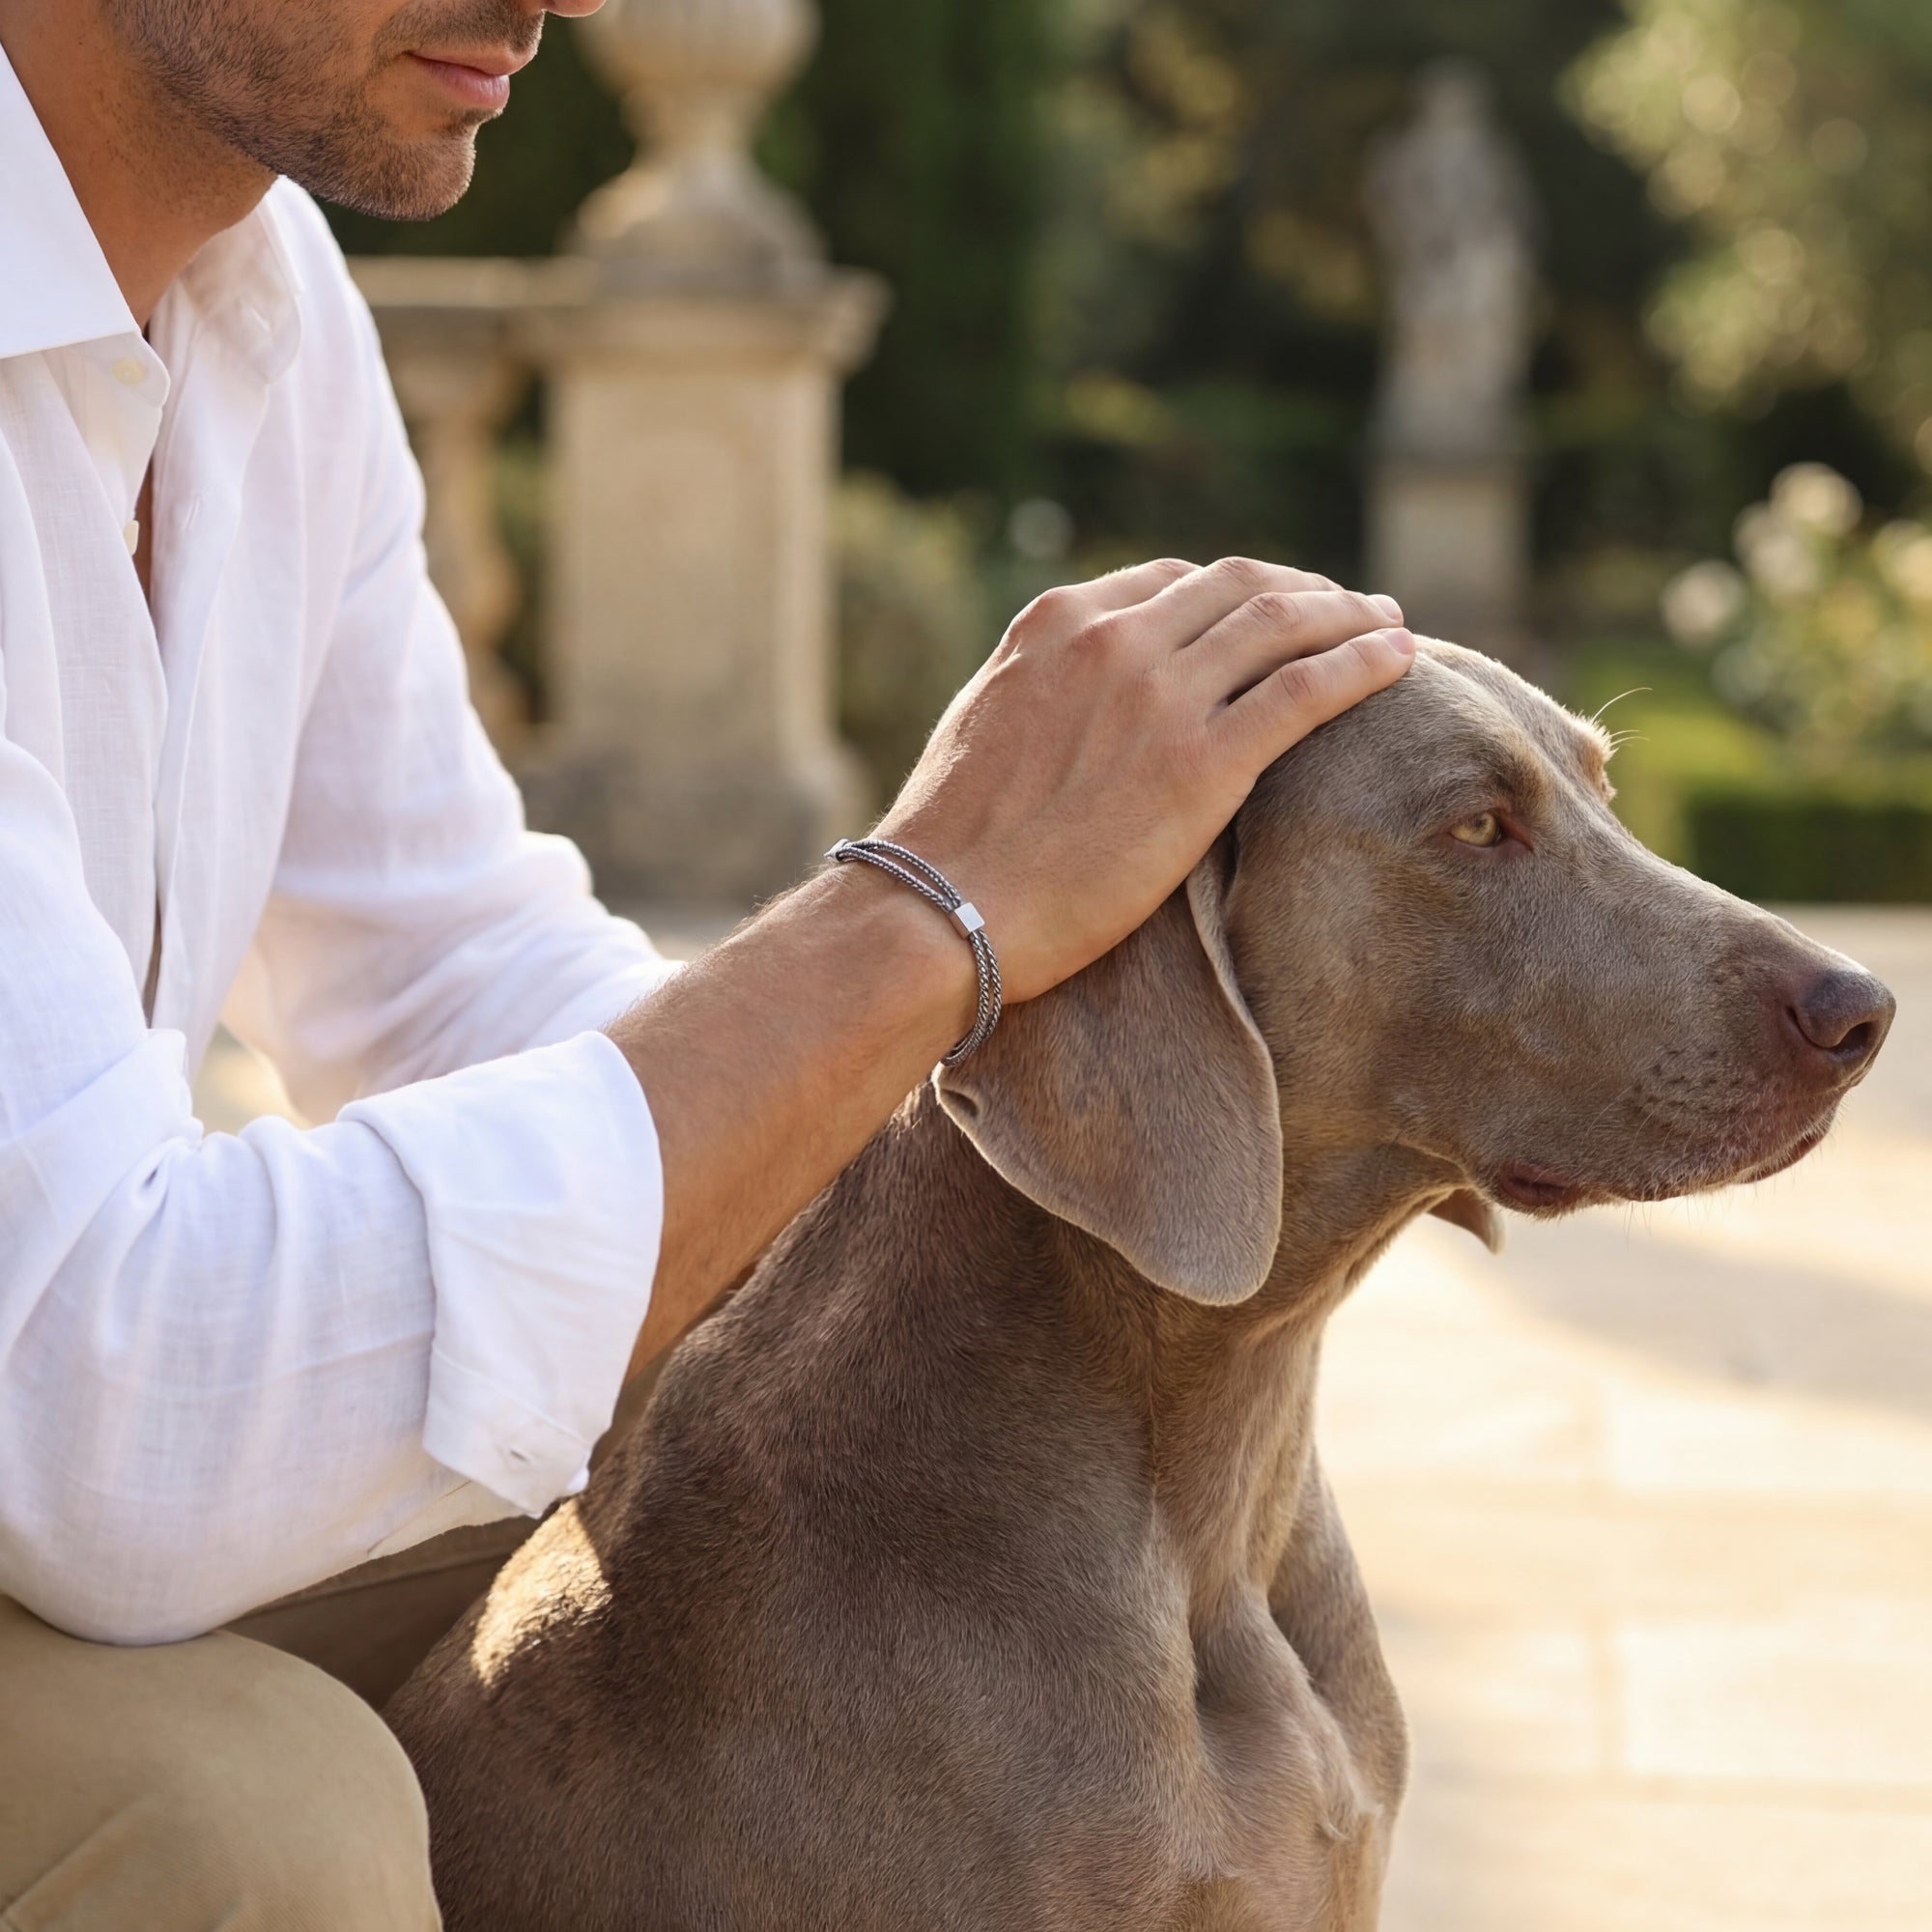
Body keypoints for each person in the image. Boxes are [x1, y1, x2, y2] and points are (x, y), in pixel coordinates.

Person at [0, 0, 1415, 1921]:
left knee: (858, 1489)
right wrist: (923, 914)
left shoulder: (260, 301)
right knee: (244, 1822)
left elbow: (442, 975)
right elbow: (118, 1417)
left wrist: (1013, 1170)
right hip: (58, 1418)